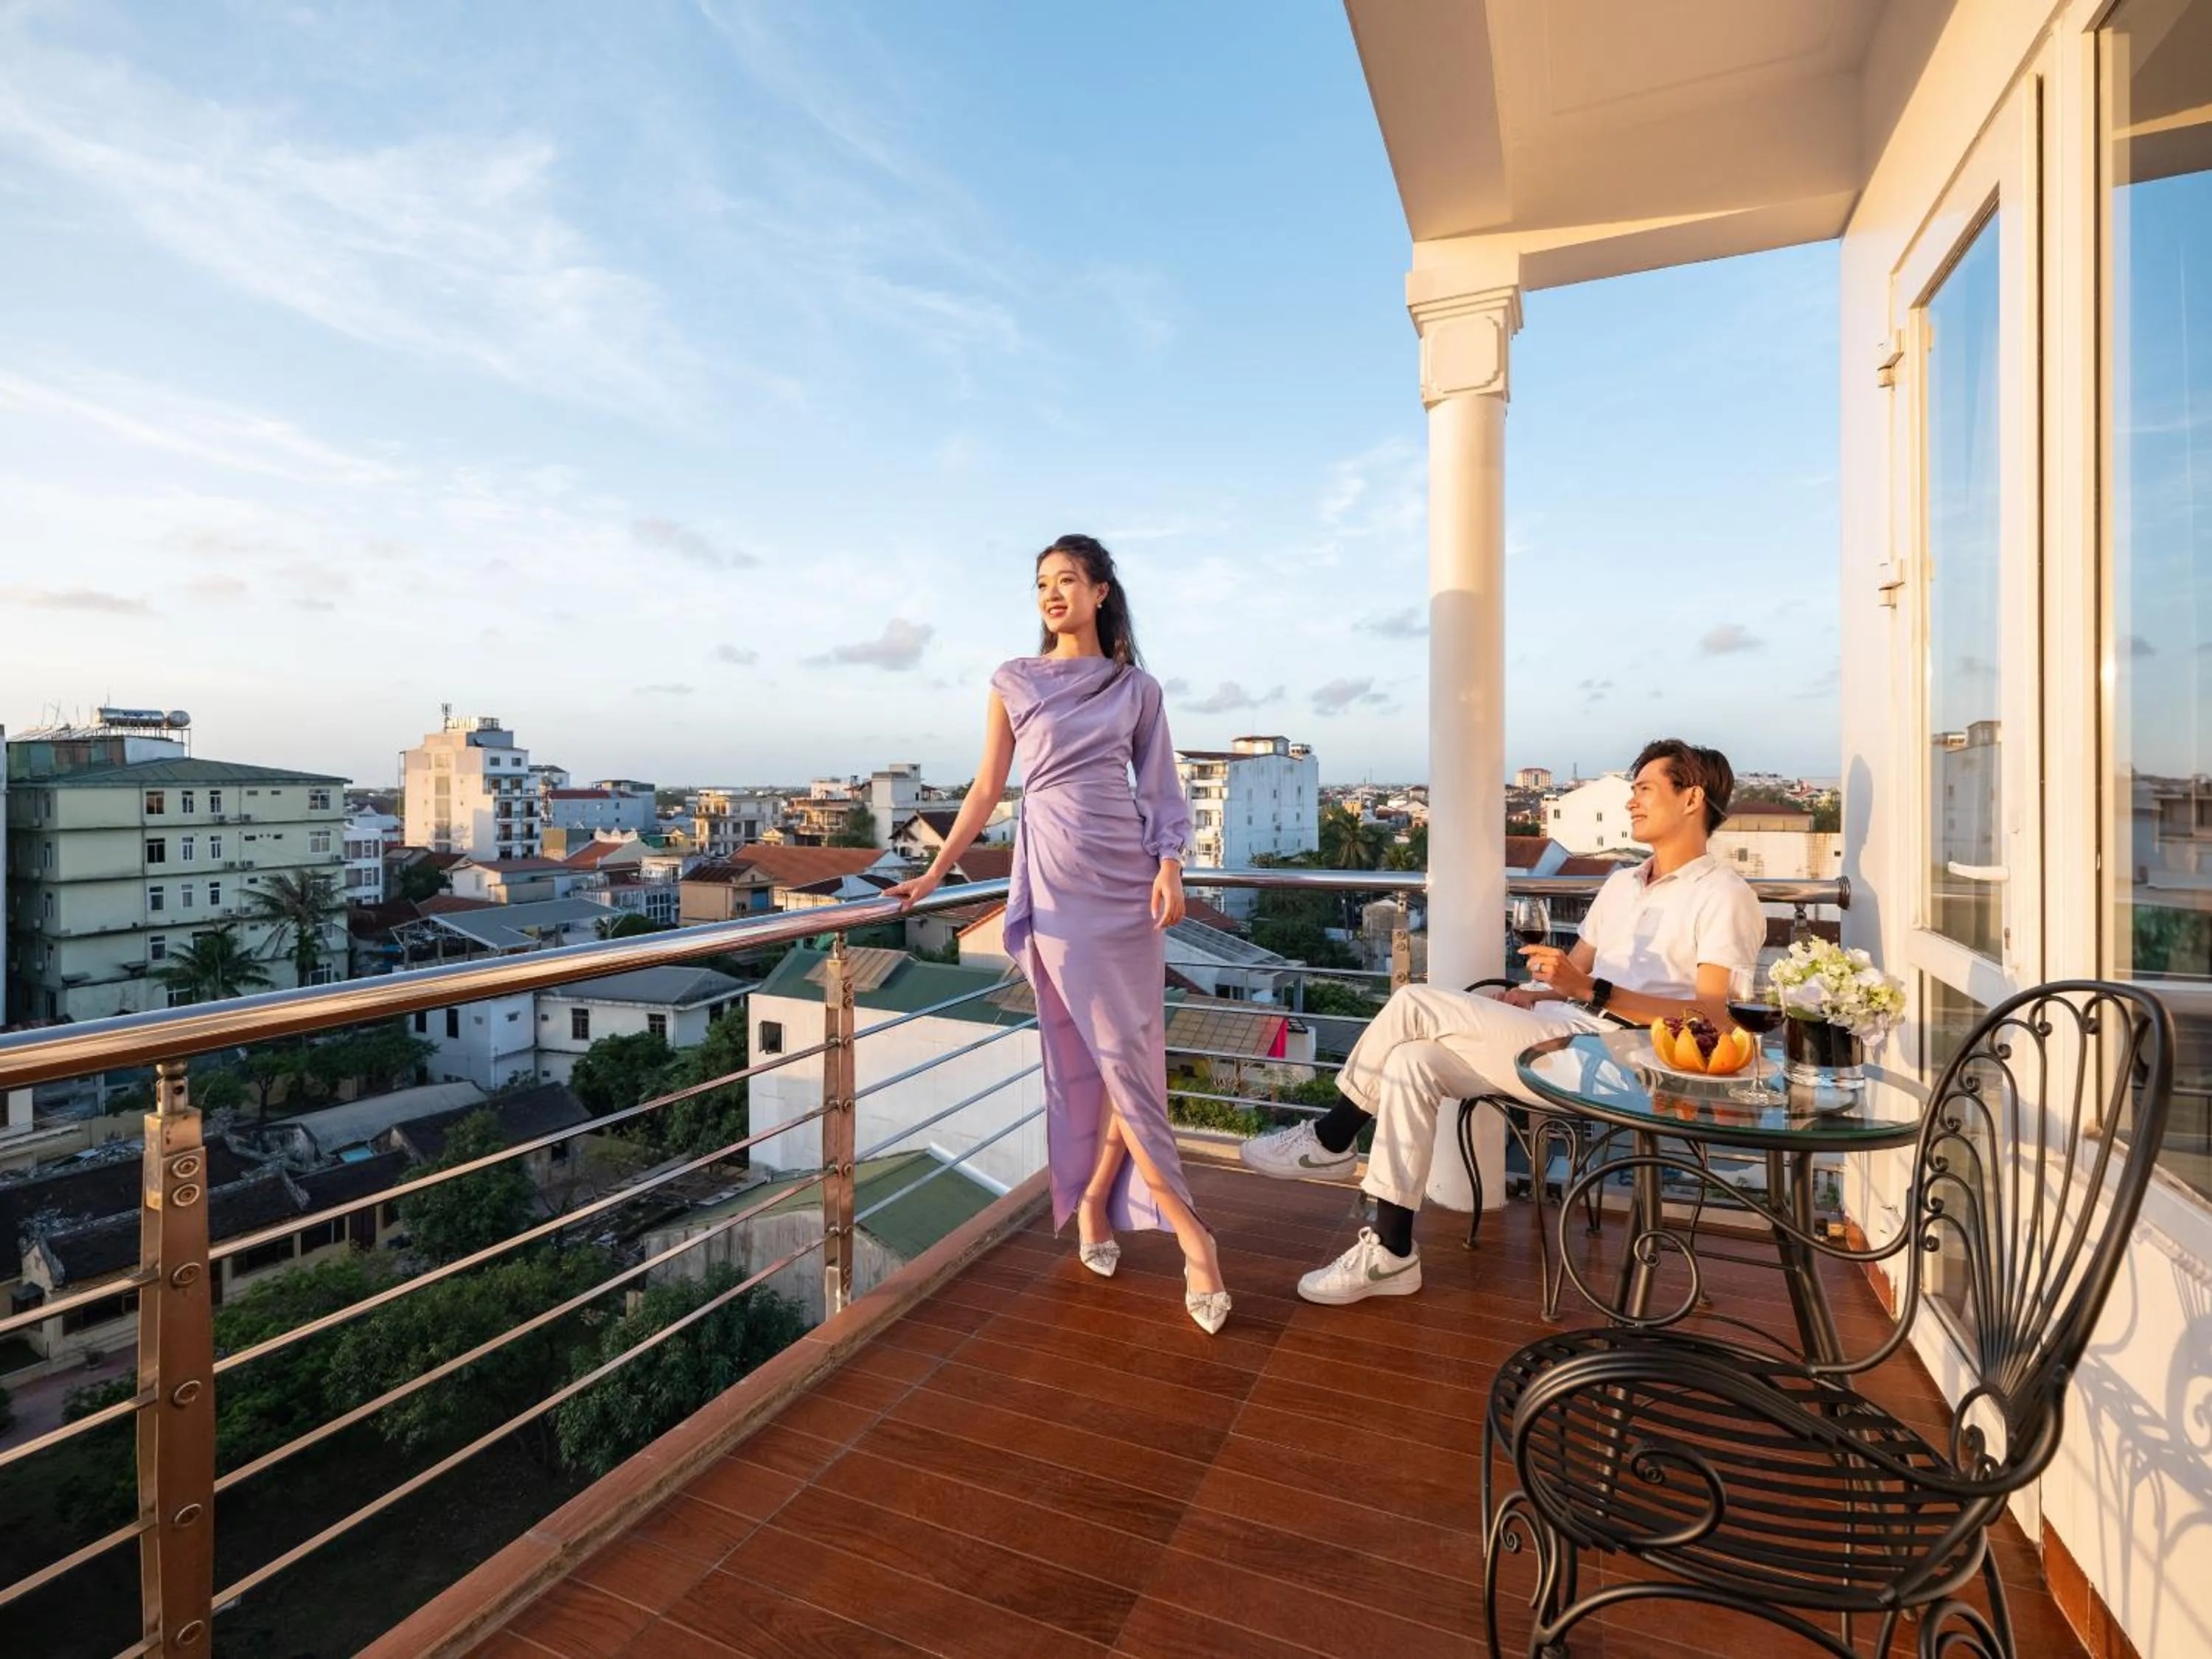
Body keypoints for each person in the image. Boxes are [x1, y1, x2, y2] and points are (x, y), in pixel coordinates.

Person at [1239, 739, 1765, 1306]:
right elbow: (1576, 971)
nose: (1631, 802)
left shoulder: (1723, 894)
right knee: (1414, 1060)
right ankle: (1391, 1253)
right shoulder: (1622, 882)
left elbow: (1712, 1017)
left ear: (1692, 798)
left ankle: (1331, 1137)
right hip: (1565, 1032)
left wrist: (1589, 991)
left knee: (1414, 1003)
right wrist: (1527, 994)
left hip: (1628, 1059)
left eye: (1645, 789)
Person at [888, 535, 1231, 1335]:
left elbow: (1161, 789)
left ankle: (1096, 1207)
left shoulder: (1136, 689)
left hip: (1127, 887)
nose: (1052, 593)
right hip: (1057, 889)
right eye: (1042, 582)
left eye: (1068, 579)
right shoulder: (1014, 681)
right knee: (1101, 1057)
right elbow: (986, 789)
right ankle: (1195, 1238)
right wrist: (934, 875)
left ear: (1101, 591)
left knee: (1128, 1063)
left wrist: (1170, 867)